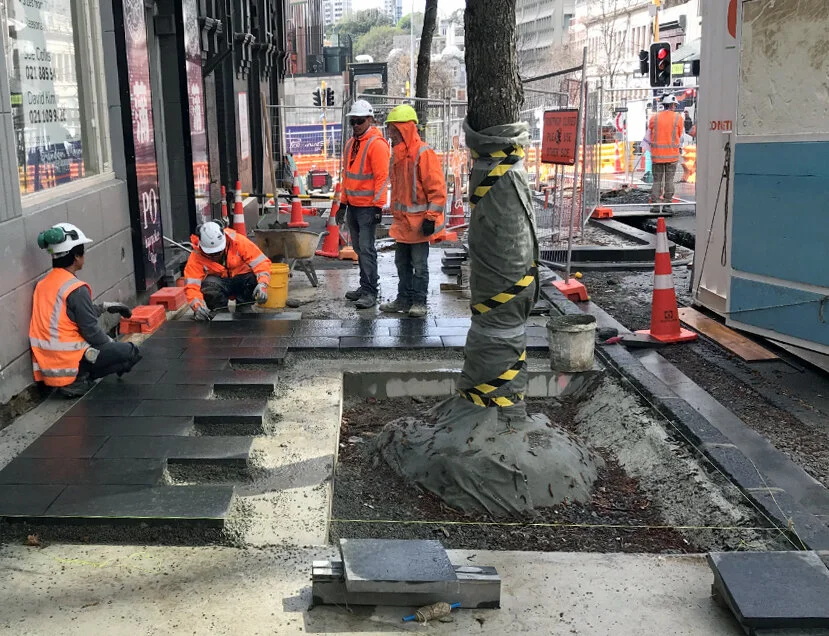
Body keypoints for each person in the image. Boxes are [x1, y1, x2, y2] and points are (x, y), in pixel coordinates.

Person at [30, 223, 141, 397]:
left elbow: (67, 316)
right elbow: (92, 333)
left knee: (111, 349)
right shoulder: (76, 289)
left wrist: (103, 307)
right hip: (69, 363)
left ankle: (75, 378)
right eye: (83, 251)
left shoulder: (43, 285)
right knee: (130, 352)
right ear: (76, 257)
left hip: (48, 366)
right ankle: (78, 379)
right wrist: (114, 347)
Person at [378, 104, 447, 318]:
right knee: (402, 264)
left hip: (418, 223)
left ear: (405, 129)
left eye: (393, 129)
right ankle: (404, 298)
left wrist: (431, 217)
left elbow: (437, 189)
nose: (390, 133)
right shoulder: (398, 156)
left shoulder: (422, 153)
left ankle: (419, 301)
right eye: (389, 128)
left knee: (419, 265)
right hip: (404, 224)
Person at [336, 99, 390, 310]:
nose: (356, 125)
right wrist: (342, 204)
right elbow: (347, 176)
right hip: (353, 206)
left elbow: (381, 178)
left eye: (359, 121)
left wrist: (378, 206)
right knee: (359, 247)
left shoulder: (376, 144)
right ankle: (364, 285)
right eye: (353, 122)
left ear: (369, 120)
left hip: (367, 207)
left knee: (366, 249)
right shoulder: (351, 144)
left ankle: (370, 291)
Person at [183, 220, 271, 320]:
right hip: (219, 283)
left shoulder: (238, 242)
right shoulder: (196, 256)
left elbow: (261, 263)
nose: (216, 255)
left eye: (219, 252)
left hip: (241, 280)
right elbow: (192, 286)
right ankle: (220, 310)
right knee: (209, 285)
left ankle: (244, 306)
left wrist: (263, 284)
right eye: (211, 254)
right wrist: (197, 306)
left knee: (252, 278)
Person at [648, 94, 684, 213]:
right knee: (669, 180)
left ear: (663, 105)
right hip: (672, 155)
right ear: (673, 105)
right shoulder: (678, 118)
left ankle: (656, 205)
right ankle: (667, 205)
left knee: (657, 180)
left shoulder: (654, 117)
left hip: (657, 155)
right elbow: (679, 134)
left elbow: (650, 132)